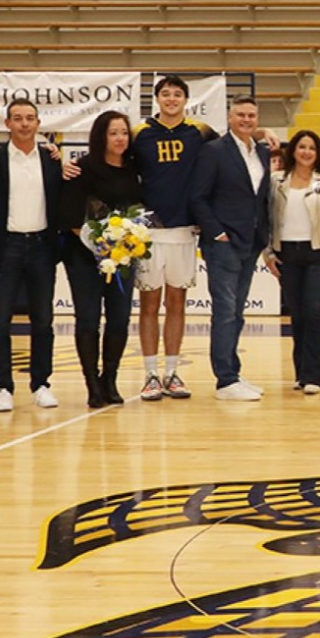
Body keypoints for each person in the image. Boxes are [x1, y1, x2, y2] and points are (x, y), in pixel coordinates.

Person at [132, 75, 217, 402]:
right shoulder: (140, 132)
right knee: (149, 304)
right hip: (148, 231)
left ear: (186, 99)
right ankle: (150, 374)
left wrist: (263, 136)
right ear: (157, 99)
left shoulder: (201, 131)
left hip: (184, 229)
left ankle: (171, 372)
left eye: (177, 94)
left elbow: (230, 152)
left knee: (177, 303)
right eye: (165, 94)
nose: (171, 99)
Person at [188, 96, 273, 401]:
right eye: (240, 115)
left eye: (251, 115)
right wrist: (217, 232)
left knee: (237, 312)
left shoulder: (261, 152)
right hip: (224, 243)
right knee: (225, 312)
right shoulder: (214, 151)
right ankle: (225, 380)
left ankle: (233, 372)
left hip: (251, 240)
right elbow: (198, 197)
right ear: (229, 117)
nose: (246, 120)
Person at [57, 110, 141, 409]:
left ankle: (110, 380)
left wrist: (123, 244)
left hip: (124, 257)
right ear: (100, 136)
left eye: (124, 133)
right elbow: (70, 215)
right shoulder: (82, 168)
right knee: (88, 319)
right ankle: (92, 384)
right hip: (84, 256)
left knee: (119, 319)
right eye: (113, 133)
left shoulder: (133, 168)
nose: (120, 138)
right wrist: (101, 243)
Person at [0, 98, 64, 410]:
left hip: (42, 246)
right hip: (8, 246)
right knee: (0, 318)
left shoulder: (50, 158)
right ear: (7, 124)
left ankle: (41, 383)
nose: (25, 123)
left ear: (38, 123)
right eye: (17, 118)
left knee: (43, 319)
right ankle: (3, 386)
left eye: (30, 118)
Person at [265, 130, 320, 395]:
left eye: (312, 148)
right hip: (287, 255)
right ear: (293, 150)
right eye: (302, 147)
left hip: (319, 255)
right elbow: (265, 219)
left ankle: (313, 376)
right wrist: (268, 253)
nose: (306, 152)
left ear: (318, 153)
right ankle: (301, 373)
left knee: (315, 311)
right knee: (298, 314)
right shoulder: (276, 180)